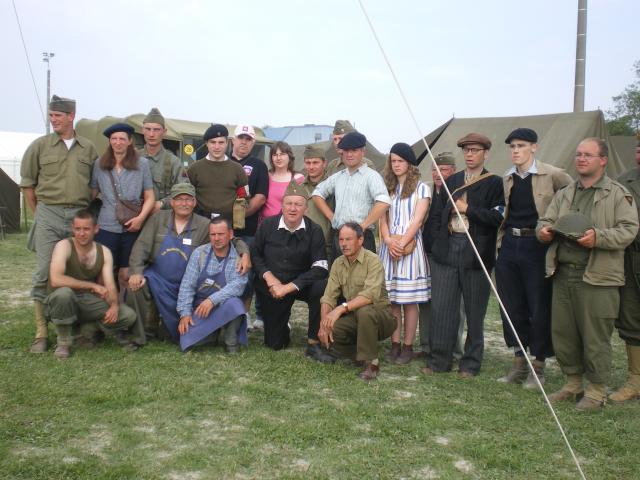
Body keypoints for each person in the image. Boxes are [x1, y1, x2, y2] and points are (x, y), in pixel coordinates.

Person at [537, 137, 638, 411]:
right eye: (579, 154)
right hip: (563, 273)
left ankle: (595, 391)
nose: (581, 159)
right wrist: (544, 231)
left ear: (602, 160)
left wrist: (599, 238)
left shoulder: (617, 194)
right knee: (564, 333)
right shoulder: (566, 193)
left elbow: (629, 229)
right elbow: (546, 219)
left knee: (595, 337)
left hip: (599, 276)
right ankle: (572, 383)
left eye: (588, 155)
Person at [20, 94, 99, 353]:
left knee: (77, 271)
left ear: (71, 116)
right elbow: (28, 185)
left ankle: (75, 326)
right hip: (48, 214)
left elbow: (94, 187)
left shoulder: (88, 148)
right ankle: (42, 331)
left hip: (78, 215)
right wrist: (40, 214)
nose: (53, 120)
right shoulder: (39, 146)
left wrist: (81, 211)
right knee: (44, 272)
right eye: (51, 115)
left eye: (58, 115)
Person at [494, 128, 572, 389]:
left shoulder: (553, 174)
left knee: (538, 306)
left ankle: (538, 366)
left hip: (536, 244)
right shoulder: (508, 177)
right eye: (512, 146)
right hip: (509, 243)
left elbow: (573, 196)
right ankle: (519, 361)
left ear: (534, 148)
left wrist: (557, 227)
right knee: (510, 305)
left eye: (521, 145)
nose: (516, 150)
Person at [423, 133, 505, 378]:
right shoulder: (453, 181)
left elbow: (497, 217)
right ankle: (440, 360)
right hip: (448, 249)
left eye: (475, 150)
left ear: (485, 153)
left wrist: (469, 209)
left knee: (474, 312)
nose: (470, 155)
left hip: (476, 252)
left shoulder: (494, 183)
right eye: (467, 150)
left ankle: (470, 363)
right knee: (443, 309)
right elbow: (437, 215)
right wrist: (438, 245)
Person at [126, 183, 250, 340]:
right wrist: (136, 272)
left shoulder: (204, 224)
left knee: (176, 335)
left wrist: (244, 253)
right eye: (179, 199)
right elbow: (141, 247)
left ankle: (168, 328)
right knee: (135, 287)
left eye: (188, 199)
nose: (184, 203)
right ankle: (137, 336)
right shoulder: (158, 219)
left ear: (195, 202)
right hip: (158, 279)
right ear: (171, 202)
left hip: (186, 284)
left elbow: (230, 238)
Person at [251, 180, 332, 362]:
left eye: (298, 204)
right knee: (275, 344)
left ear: (306, 208)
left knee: (321, 286)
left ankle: (313, 342)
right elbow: (255, 254)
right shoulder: (267, 225)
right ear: (282, 205)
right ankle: (283, 325)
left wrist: (288, 287)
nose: (293, 208)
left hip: (301, 284)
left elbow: (320, 267)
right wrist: (270, 279)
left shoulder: (315, 230)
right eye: (289, 203)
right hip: (274, 286)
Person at [45, 209, 142, 359]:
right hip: (59, 301)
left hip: (86, 300)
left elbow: (109, 285)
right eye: (77, 229)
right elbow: (56, 279)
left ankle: (85, 330)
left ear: (96, 229)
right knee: (64, 294)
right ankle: (64, 342)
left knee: (128, 316)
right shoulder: (64, 246)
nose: (81, 233)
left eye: (86, 229)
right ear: (73, 229)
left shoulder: (104, 252)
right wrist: (92, 286)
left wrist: (115, 306)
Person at [318, 222, 396, 381]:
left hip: (382, 317)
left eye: (348, 239)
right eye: (341, 240)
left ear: (360, 240)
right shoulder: (338, 263)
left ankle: (371, 363)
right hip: (356, 316)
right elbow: (328, 297)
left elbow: (369, 296)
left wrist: (341, 309)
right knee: (333, 330)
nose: (344, 244)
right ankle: (358, 354)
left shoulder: (373, 260)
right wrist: (323, 324)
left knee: (364, 310)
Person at [379, 143, 431, 364]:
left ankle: (408, 346)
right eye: (393, 161)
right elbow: (382, 217)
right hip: (389, 245)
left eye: (400, 160)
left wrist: (402, 243)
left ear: (409, 163)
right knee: (392, 301)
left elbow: (418, 220)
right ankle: (395, 343)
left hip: (410, 247)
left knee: (409, 301)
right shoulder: (387, 188)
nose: (396, 165)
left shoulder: (422, 188)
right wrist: (389, 240)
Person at [90, 123, 155, 297]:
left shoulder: (142, 164)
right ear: (110, 141)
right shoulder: (99, 164)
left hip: (131, 226)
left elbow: (150, 196)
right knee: (103, 274)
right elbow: (92, 192)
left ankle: (124, 313)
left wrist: (140, 219)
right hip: (106, 227)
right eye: (114, 139)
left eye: (122, 139)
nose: (118, 142)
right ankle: (104, 314)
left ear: (129, 141)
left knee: (126, 275)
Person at [312, 131, 391, 262]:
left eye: (354, 150)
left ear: (363, 151)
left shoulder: (371, 176)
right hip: (340, 236)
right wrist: (332, 217)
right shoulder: (338, 176)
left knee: (362, 281)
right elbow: (317, 193)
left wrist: (363, 226)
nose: (349, 154)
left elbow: (384, 202)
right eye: (346, 150)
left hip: (362, 237)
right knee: (338, 279)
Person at [417, 152, 465, 360]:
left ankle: (454, 348)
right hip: (426, 252)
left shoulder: (459, 192)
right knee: (425, 300)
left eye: (443, 169)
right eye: (435, 169)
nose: (438, 174)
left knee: (453, 302)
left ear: (452, 171)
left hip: (449, 254)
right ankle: (427, 345)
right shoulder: (426, 191)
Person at [176, 217, 248, 353]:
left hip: (223, 306)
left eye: (221, 234)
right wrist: (184, 314)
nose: (216, 238)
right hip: (201, 308)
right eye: (213, 234)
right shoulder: (199, 253)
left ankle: (231, 341)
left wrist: (212, 300)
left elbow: (238, 286)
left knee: (236, 304)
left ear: (230, 234)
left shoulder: (239, 258)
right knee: (187, 340)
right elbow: (187, 286)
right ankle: (212, 334)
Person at [230, 124, 269, 329]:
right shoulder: (223, 161)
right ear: (233, 140)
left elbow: (261, 197)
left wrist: (239, 217)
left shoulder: (258, 165)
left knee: (247, 274)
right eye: (240, 138)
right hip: (220, 228)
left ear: (253, 142)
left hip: (247, 229)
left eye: (248, 139)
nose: (244, 142)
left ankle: (243, 314)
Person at [610, 141, 640, 403]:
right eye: (639, 148)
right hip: (632, 259)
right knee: (631, 321)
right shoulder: (624, 181)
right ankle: (635, 381)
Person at [187, 124, 249, 222]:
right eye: (213, 142)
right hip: (200, 223)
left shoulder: (237, 169)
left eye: (221, 142)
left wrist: (237, 220)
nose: (217, 147)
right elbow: (187, 196)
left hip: (228, 223)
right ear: (206, 143)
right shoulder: (194, 169)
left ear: (227, 143)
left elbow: (244, 197)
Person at [138, 107, 187, 212]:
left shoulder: (173, 162)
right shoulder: (133, 158)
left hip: (161, 217)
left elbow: (184, 191)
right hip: (134, 214)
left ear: (164, 132)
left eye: (156, 130)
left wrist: (162, 204)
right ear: (142, 130)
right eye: (148, 129)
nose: (151, 134)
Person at [259, 141, 304, 223]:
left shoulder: (298, 178)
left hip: (287, 226)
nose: (278, 158)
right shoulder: (265, 176)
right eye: (275, 155)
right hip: (265, 226)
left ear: (289, 156)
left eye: (282, 154)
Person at [300, 144, 332, 257]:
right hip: (303, 246)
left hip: (328, 246)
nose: (311, 167)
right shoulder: (299, 188)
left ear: (324, 163)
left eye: (315, 162)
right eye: (308, 163)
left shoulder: (333, 186)